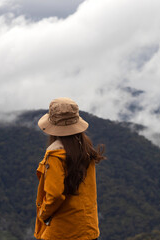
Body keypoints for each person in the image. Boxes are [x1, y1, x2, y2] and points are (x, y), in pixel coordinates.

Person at [34, 97, 105, 240]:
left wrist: (43, 213)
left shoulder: (55, 155)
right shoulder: (86, 150)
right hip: (88, 229)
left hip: (62, 232)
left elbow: (55, 195)